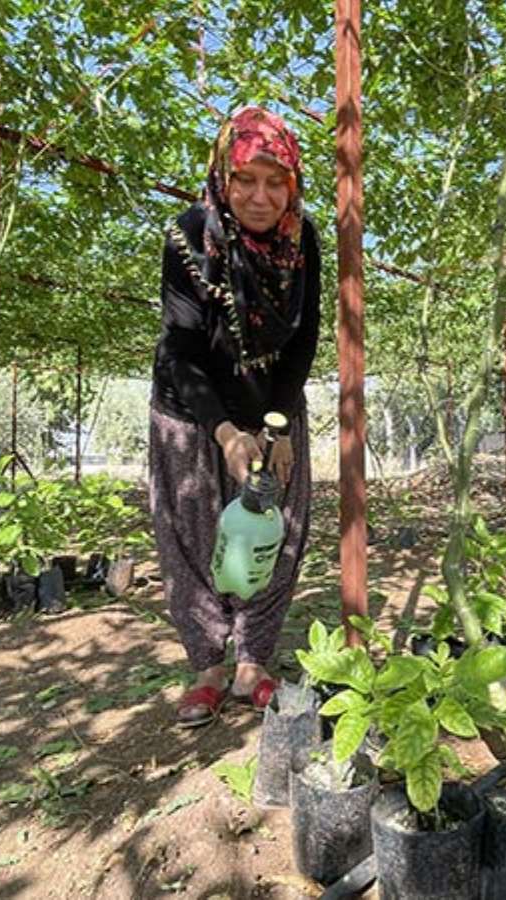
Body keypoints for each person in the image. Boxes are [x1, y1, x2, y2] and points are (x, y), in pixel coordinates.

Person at [148, 106, 320, 727]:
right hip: (192, 412)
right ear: (225, 174)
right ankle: (207, 667)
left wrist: (274, 428)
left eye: (277, 182)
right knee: (192, 533)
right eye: (247, 178)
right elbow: (182, 347)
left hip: (271, 403)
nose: (261, 196)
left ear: (292, 184)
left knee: (280, 526)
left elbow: (302, 340)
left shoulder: (303, 241)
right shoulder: (190, 236)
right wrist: (223, 432)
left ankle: (253, 662)